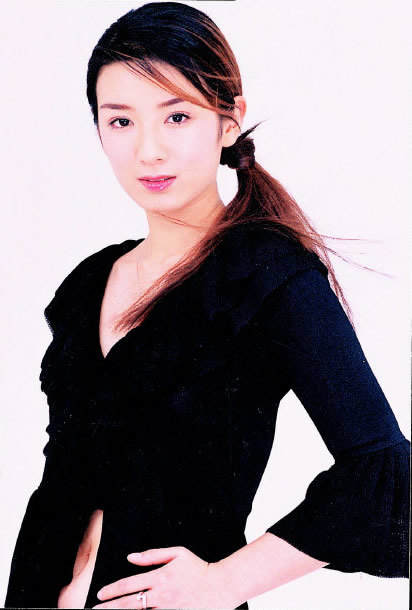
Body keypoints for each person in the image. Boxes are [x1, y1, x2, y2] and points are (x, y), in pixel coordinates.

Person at [5, 2, 409, 609]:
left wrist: (226, 582)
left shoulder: (268, 277)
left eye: (177, 116)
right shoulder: (87, 286)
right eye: (121, 121)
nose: (148, 150)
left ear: (228, 121)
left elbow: (385, 473)